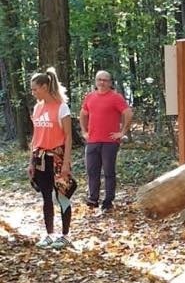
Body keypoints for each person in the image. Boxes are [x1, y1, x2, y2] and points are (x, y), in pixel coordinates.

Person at [28, 67, 75, 248]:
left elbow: (69, 136)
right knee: (46, 197)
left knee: (62, 196)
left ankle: (65, 235)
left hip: (57, 157)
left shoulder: (62, 107)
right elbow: (35, 135)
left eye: (35, 89)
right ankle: (49, 234)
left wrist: (66, 162)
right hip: (40, 158)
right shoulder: (37, 107)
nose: (33, 93)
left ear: (45, 86)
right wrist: (31, 161)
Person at [79, 70, 132, 213]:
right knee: (92, 171)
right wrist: (84, 131)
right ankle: (93, 198)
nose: (102, 82)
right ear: (95, 81)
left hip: (109, 142)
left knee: (109, 172)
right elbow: (83, 114)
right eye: (99, 79)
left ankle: (108, 201)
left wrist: (122, 132)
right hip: (93, 141)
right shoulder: (90, 97)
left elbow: (127, 113)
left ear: (110, 82)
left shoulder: (116, 97)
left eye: (105, 80)